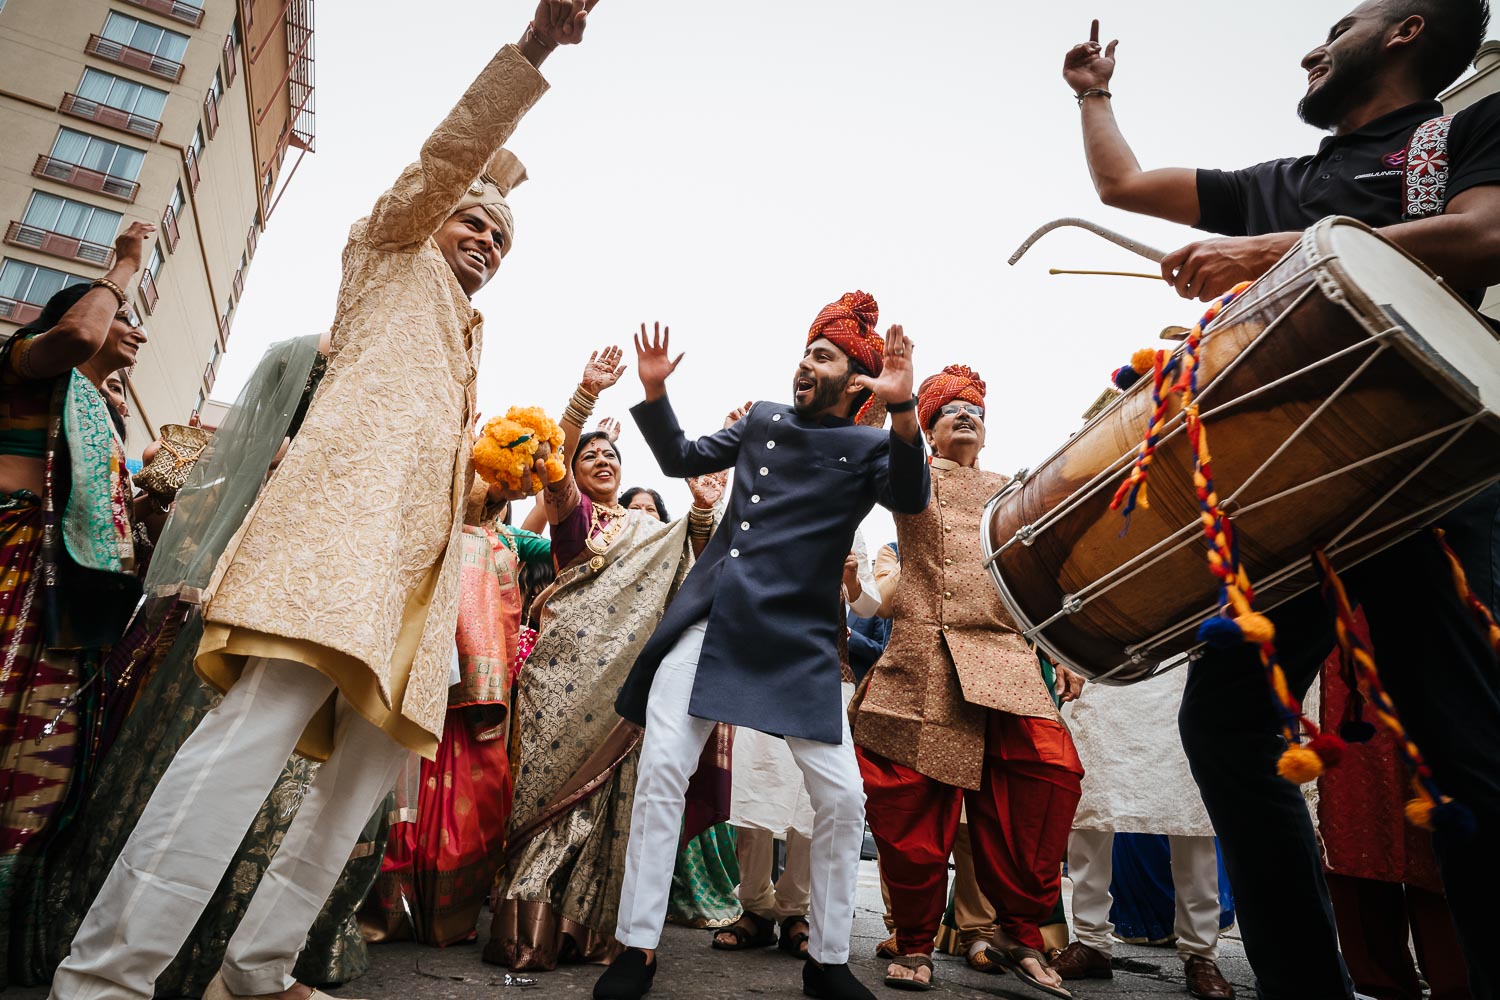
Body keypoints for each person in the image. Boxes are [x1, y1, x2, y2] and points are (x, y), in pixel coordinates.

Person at [50, 6, 602, 998]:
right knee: (243, 751)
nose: (484, 239)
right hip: (326, 556)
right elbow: (449, 155)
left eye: (500, 238)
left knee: (354, 790)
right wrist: (534, 51)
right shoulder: (387, 252)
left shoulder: (468, 339)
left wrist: (492, 476)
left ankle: (256, 971)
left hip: (416, 592)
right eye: (472, 220)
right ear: (431, 215)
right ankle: (104, 980)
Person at [1061, 5, 1500, 996]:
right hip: (1299, 499)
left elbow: (1486, 236)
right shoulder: (1285, 181)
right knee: (1227, 726)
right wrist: (1095, 95)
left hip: (1419, 477)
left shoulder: (1463, 131)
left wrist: (1273, 254)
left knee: (1470, 754)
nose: (1314, 43)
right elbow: (1123, 185)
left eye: (1344, 22)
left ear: (1407, 31)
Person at [9, 335, 396, 994]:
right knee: (211, 771)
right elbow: (158, 483)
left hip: (327, 627)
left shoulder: (370, 481)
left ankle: (248, 967)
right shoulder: (238, 456)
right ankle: (125, 965)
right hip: (227, 624)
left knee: (296, 796)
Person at [594, 295, 929, 1000]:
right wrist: (655, 392)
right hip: (713, 620)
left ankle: (828, 961)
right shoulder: (765, 420)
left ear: (857, 380)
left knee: (841, 800)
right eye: (807, 351)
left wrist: (904, 411)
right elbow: (681, 456)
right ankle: (638, 949)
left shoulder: (875, 445)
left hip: (799, 642)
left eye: (824, 356)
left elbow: (911, 494)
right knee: (661, 772)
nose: (806, 364)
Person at [488, 349, 725, 972]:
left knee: (615, 798)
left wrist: (701, 505)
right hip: (560, 673)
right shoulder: (575, 515)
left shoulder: (651, 530)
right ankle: (528, 926)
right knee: (545, 794)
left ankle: (590, 931)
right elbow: (549, 469)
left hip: (627, 679)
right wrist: (583, 397)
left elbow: (696, 567)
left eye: (610, 455)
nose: (600, 460)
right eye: (590, 454)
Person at [850, 365, 1083, 997]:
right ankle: (917, 944)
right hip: (922, 655)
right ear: (928, 428)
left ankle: (1021, 933)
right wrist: (899, 406)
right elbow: (890, 453)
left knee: (1049, 772)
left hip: (1004, 657)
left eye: (973, 409)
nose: (965, 415)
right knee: (913, 808)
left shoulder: (1016, 490)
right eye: (949, 409)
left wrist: (1060, 647)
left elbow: (1039, 574)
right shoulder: (913, 478)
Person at [1, 224, 156, 985]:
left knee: (46, 772)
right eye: (125, 314)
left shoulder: (106, 422)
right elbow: (76, 334)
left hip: (78, 613)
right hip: (15, 580)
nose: (135, 328)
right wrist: (122, 265)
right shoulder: (26, 364)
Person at [714, 532, 880, 961]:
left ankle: (794, 912)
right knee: (756, 789)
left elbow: (869, 607)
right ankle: (754, 908)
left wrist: (852, 580)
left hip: (828, 672)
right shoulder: (768, 506)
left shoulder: (850, 521)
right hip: (764, 668)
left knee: (813, 801)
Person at [1053, 669, 1236, 1000]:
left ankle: (1201, 955)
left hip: (1181, 673)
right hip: (1106, 669)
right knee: (1093, 809)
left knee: (1190, 817)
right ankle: (1091, 942)